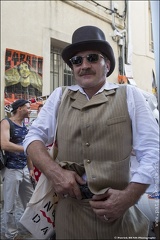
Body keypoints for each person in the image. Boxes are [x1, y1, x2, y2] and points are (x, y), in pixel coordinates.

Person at [23, 26, 159, 239]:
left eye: (92, 58)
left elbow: (153, 150)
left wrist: (128, 197)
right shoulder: (59, 97)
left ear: (107, 64)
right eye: (77, 61)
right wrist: (55, 172)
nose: (84, 65)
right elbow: (33, 138)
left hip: (120, 218)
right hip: (71, 216)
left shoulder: (129, 95)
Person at [0, 99, 35, 240]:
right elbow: (4, 144)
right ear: (20, 108)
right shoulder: (6, 123)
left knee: (32, 201)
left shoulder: (25, 127)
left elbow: (28, 151)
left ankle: (32, 226)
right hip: (11, 170)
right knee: (10, 204)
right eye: (27, 107)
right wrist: (26, 148)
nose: (30, 109)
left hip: (25, 169)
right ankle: (11, 234)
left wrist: (31, 168)